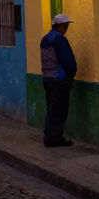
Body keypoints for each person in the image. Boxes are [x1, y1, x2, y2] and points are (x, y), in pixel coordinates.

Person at [40, 13, 78, 147]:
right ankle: (54, 138)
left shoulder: (45, 39)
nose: (67, 28)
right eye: (66, 26)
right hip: (59, 79)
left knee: (52, 108)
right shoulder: (59, 40)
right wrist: (70, 75)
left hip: (48, 78)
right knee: (60, 110)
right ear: (60, 26)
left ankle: (50, 136)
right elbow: (68, 62)